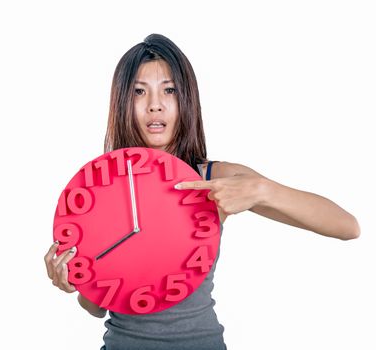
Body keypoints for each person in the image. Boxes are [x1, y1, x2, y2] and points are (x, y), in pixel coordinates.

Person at [44, 34, 360, 350]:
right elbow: (97, 308)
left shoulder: (211, 178)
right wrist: (73, 282)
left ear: (187, 99)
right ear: (122, 102)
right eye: (139, 91)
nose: (155, 104)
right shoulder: (101, 186)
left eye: (169, 90)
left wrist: (262, 190)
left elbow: (347, 227)